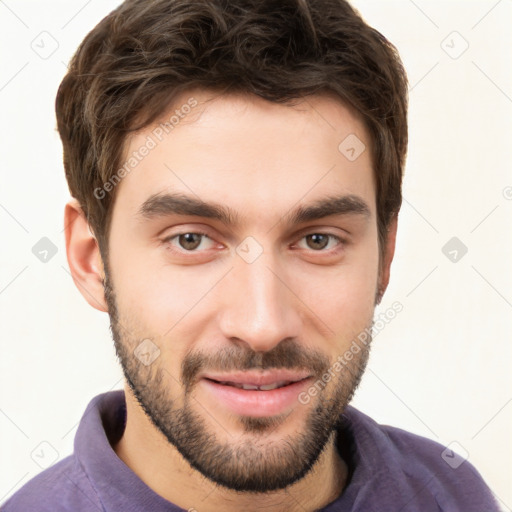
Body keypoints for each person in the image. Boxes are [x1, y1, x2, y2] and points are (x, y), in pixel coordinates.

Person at [3, 0, 500, 511]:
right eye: (191, 240)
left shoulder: (454, 496)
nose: (263, 324)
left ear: (385, 254)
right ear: (91, 260)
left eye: (317, 240)